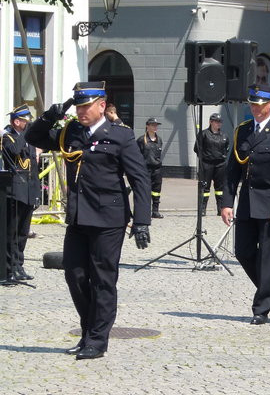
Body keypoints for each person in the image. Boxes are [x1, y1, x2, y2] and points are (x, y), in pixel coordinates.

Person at [25, 81, 151, 360]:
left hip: (109, 219)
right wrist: (50, 116)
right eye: (78, 106)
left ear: (102, 106)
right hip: (79, 216)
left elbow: (140, 178)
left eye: (86, 106)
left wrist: (142, 221)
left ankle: (96, 339)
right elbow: (33, 138)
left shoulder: (120, 136)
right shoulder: (72, 131)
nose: (81, 111)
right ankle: (88, 330)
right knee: (75, 275)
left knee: (103, 279)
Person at [221, 85, 270, 325]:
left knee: (265, 256)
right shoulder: (242, 131)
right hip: (247, 202)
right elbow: (232, 170)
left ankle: (261, 306)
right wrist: (226, 202)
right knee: (243, 252)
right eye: (253, 104)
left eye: (260, 105)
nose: (255, 109)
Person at [2, 105, 40, 282]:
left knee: (23, 232)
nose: (28, 124)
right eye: (25, 121)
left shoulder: (28, 139)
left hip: (28, 190)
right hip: (15, 191)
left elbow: (33, 167)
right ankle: (9, 268)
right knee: (12, 232)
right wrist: (25, 134)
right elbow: (15, 152)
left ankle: (19, 265)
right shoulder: (7, 138)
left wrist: (37, 192)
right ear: (17, 122)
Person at [194, 113, 229, 216]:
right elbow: (197, 149)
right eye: (216, 122)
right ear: (211, 122)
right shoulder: (203, 134)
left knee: (220, 188)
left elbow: (226, 148)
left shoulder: (224, 135)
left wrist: (223, 157)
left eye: (220, 122)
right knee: (205, 187)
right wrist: (205, 158)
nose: (219, 124)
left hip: (220, 165)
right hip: (207, 164)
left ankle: (220, 209)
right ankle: (203, 209)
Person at [137, 118, 164, 218]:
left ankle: (155, 211)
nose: (155, 127)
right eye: (153, 125)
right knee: (145, 190)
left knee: (156, 191)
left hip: (157, 169)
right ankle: (145, 211)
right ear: (147, 126)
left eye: (156, 125)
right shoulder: (141, 140)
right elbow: (137, 155)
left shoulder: (159, 139)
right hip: (146, 169)